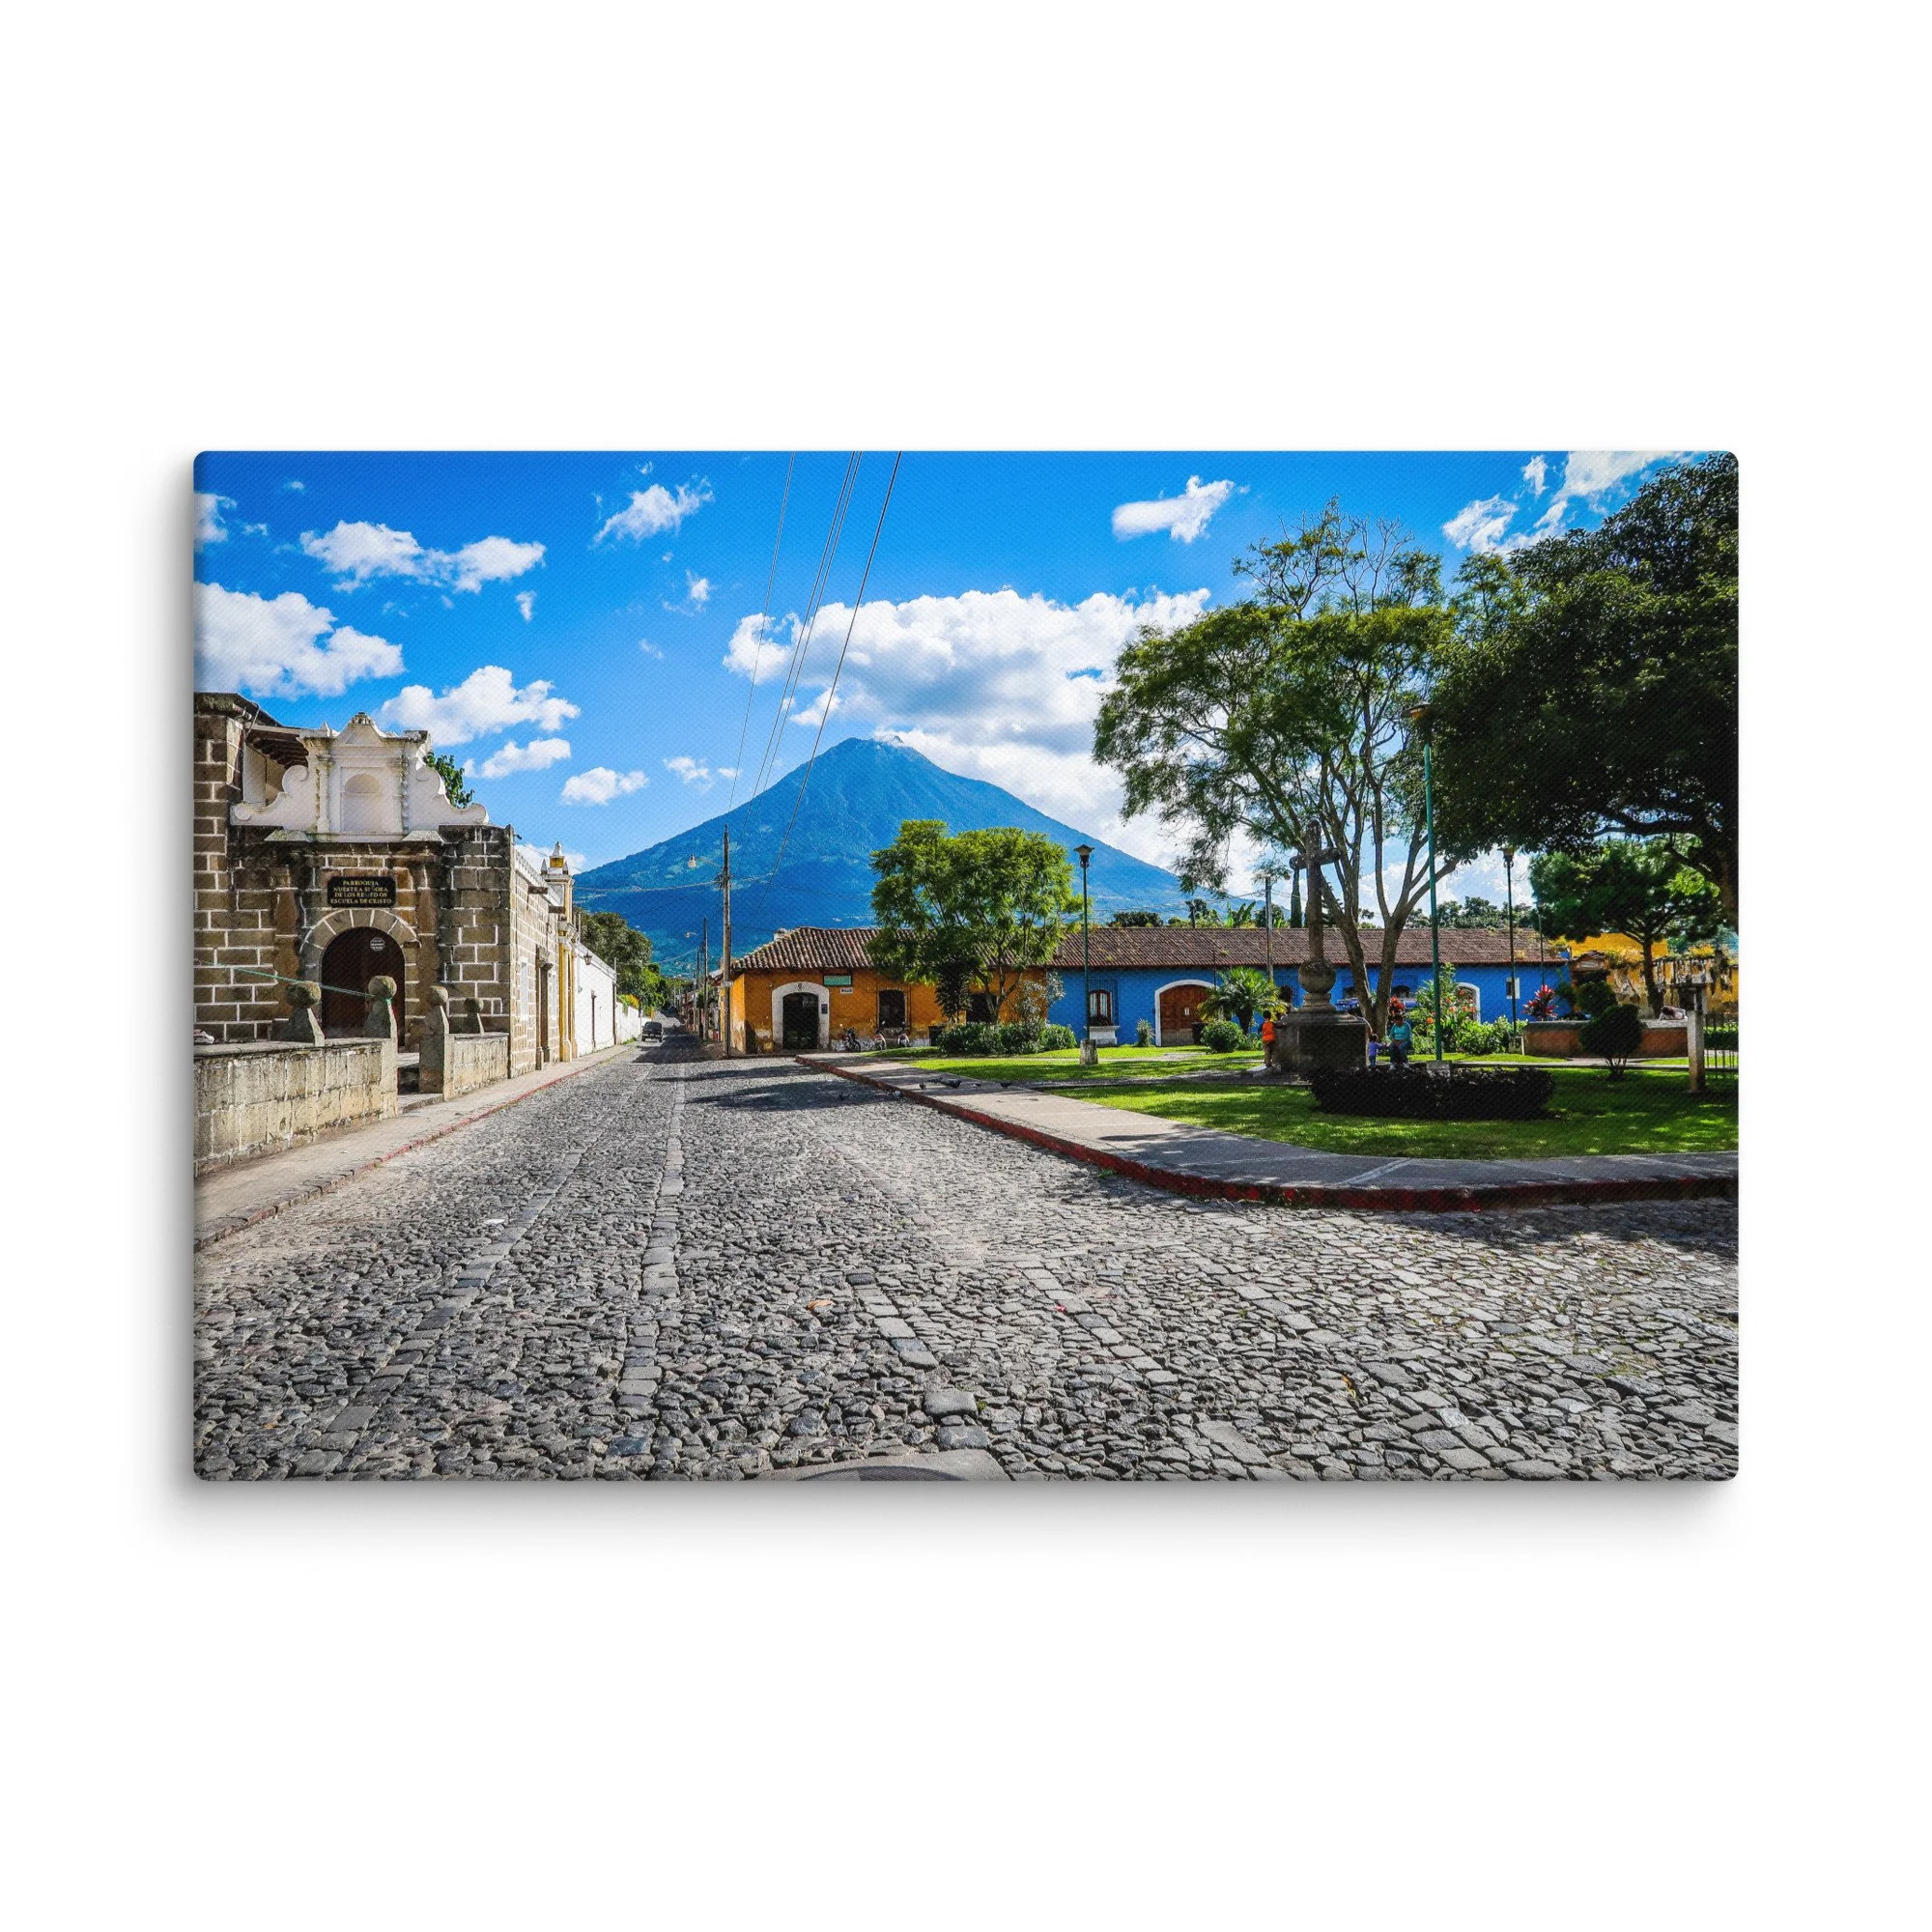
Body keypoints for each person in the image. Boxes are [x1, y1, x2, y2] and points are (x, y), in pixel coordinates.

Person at [1386, 1004, 1413, 1070]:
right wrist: (1394, 1041)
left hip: (1405, 1041)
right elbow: (1391, 1035)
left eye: (1396, 1020)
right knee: (1391, 1047)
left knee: (1401, 1047)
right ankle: (1393, 1063)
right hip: (1396, 1040)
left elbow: (1407, 1036)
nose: (1395, 1022)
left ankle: (1406, 1062)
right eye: (1394, 1021)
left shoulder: (1406, 1025)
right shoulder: (1395, 1026)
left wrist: (1399, 1042)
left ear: (1400, 1020)